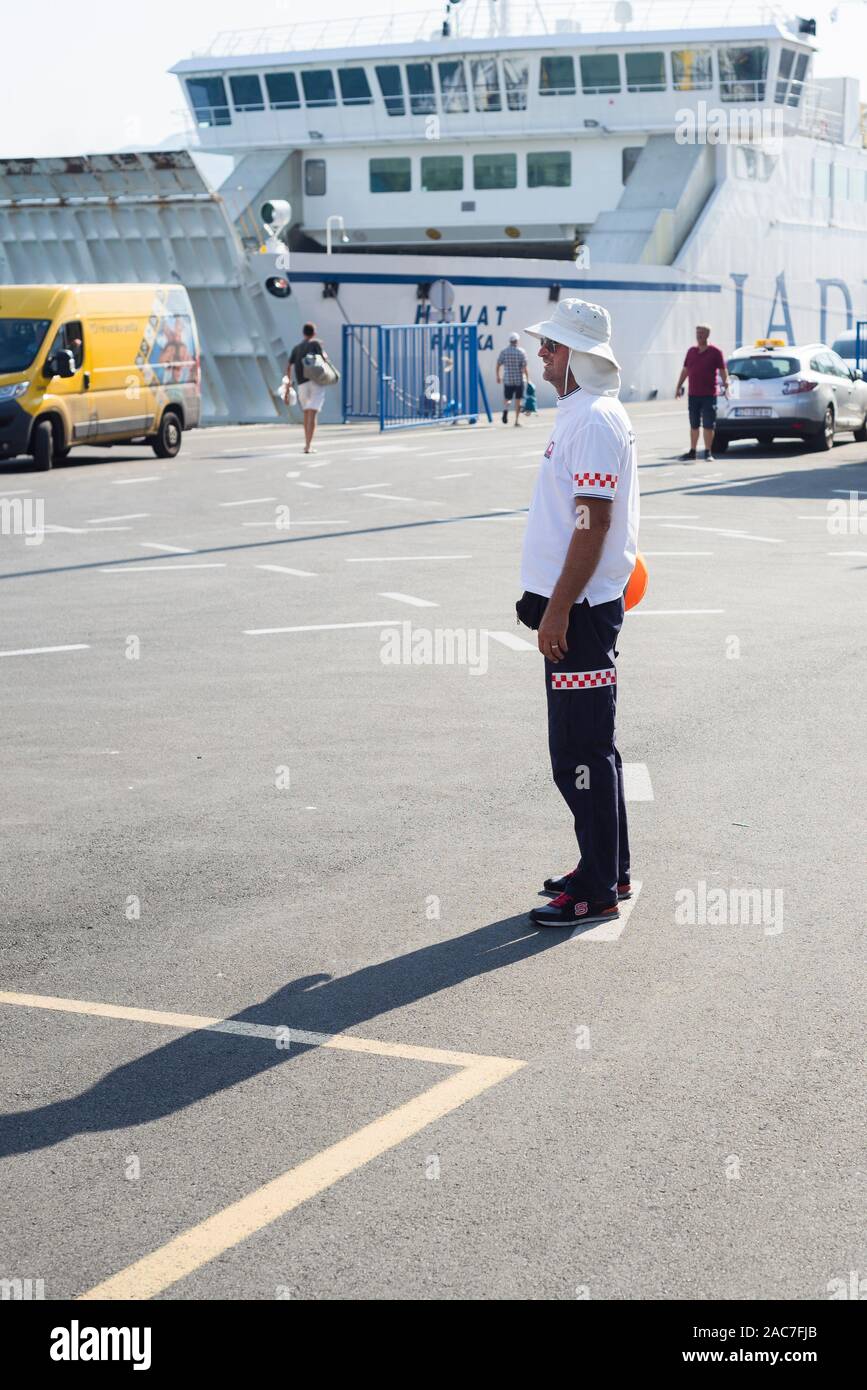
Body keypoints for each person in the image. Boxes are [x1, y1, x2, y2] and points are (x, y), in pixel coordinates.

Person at [517, 298, 639, 929]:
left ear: (579, 358)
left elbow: (592, 526)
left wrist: (557, 611)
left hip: (581, 615)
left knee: (579, 755)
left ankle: (596, 889)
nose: (541, 352)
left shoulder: (591, 420)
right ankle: (606, 866)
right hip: (580, 609)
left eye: (552, 346)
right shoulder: (580, 413)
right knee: (594, 749)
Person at [675, 325, 730, 462]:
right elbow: (686, 370)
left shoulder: (715, 352)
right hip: (693, 394)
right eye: (697, 333)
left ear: (707, 335)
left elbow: (723, 371)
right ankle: (692, 451)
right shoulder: (691, 352)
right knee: (694, 424)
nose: (699, 336)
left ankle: (707, 452)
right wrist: (679, 386)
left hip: (709, 395)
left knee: (708, 424)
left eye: (702, 333)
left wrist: (726, 385)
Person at [289, 322, 330, 453]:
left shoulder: (297, 348)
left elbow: (289, 365)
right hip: (315, 381)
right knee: (313, 412)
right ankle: (308, 445)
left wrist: (288, 382)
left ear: (303, 333)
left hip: (301, 383)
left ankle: (307, 443)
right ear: (314, 333)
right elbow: (324, 359)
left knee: (306, 412)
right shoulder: (316, 344)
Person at [496, 331, 530, 426]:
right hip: (519, 380)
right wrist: (528, 379)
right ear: (517, 341)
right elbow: (524, 367)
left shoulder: (504, 352)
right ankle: (516, 421)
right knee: (518, 400)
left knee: (508, 398)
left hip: (507, 379)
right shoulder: (521, 352)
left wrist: (498, 376)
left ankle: (506, 409)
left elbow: (498, 364)